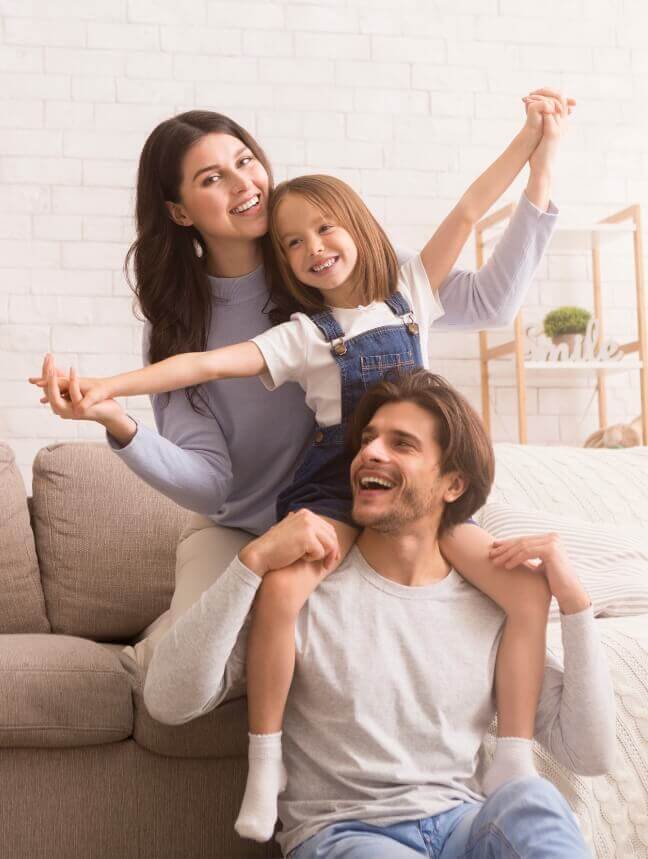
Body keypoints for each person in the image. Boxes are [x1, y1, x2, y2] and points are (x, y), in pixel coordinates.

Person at [32, 91, 571, 841]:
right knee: (207, 653)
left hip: (391, 498)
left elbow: (475, 243)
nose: (242, 183)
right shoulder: (251, 329)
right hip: (267, 514)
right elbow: (211, 464)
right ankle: (266, 762)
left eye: (245, 160)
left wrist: (539, 155)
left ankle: (505, 766)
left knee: (516, 574)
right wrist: (111, 407)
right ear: (180, 210)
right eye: (211, 178)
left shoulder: (366, 281)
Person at [142, 370, 616, 858]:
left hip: (464, 826)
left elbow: (590, 753)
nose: (370, 452)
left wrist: (575, 605)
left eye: (402, 444)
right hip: (347, 835)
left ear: (453, 484)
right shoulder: (302, 593)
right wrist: (252, 562)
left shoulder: (491, 606)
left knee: (533, 800)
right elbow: (167, 699)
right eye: (368, 440)